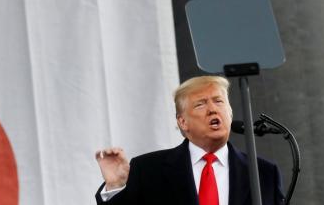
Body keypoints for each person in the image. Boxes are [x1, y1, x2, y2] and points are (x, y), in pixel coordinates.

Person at [94, 76, 284, 205]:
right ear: (182, 122)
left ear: (230, 112)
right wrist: (116, 186)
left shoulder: (264, 173)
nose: (212, 109)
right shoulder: (148, 170)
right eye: (201, 104)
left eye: (219, 101)